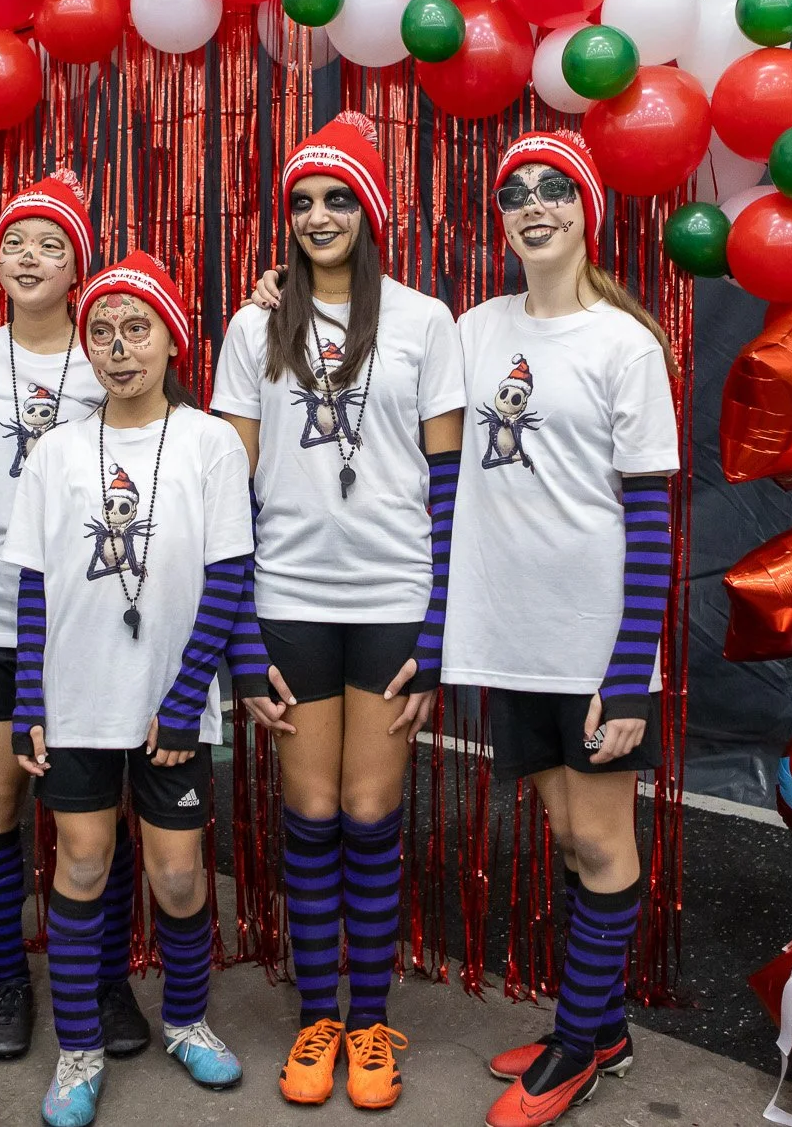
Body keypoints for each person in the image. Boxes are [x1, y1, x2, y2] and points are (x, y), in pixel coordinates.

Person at [210, 112, 464, 1109]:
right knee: (308, 811)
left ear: (369, 212)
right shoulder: (250, 326)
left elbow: (446, 482)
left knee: (368, 810)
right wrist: (235, 637)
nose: (318, 215)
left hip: (394, 597)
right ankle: (318, 1021)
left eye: (337, 198)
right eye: (303, 202)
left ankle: (369, 1027)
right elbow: (226, 490)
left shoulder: (422, 320)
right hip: (287, 599)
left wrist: (439, 632)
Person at [445, 133, 679, 1127]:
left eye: (552, 189)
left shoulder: (622, 345)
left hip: (593, 645)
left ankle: (580, 1049)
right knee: (564, 835)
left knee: (597, 841)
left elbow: (651, 519)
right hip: (510, 636)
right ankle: (603, 1022)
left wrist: (628, 675)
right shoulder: (474, 327)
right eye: (513, 192)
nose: (531, 204)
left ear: (585, 211)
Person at [7, 253, 257, 1126]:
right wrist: (28, 703)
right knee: (80, 864)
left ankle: (186, 1019)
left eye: (137, 329)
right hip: (77, 699)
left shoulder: (209, 442)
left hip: (170, 705)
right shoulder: (55, 451)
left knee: (180, 877)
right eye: (102, 332)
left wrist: (188, 696)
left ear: (172, 340)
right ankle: (78, 1047)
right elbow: (33, 586)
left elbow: (229, 575)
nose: (119, 349)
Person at [0, 170, 150, 1064]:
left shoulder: (107, 353)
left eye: (51, 243)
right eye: (16, 240)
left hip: (99, 609)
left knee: (105, 808)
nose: (29, 256)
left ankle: (104, 979)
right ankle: (9, 981)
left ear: (78, 268)